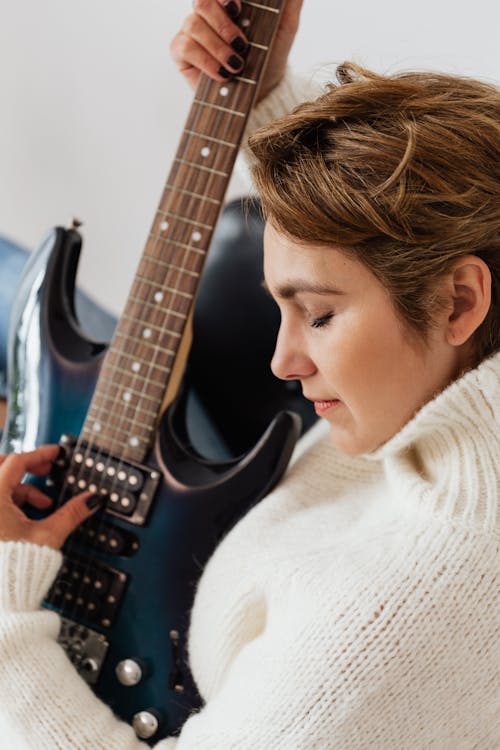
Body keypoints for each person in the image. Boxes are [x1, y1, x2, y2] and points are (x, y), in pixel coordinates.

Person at [0, 0, 499, 747]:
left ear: (459, 300)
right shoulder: (450, 371)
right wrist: (259, 94)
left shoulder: (389, 624)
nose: (283, 362)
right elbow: (393, 233)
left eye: (319, 315)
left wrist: (7, 612)